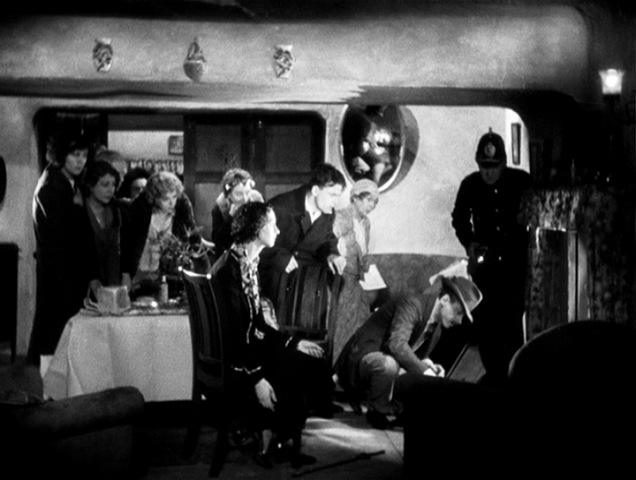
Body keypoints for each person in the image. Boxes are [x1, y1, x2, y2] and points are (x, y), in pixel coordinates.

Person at [210, 201, 335, 469]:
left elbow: (256, 321)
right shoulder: (230, 269)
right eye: (273, 225)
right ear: (257, 230)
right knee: (301, 368)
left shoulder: (246, 262)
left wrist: (292, 342)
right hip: (236, 361)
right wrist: (257, 379)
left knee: (314, 361)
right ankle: (273, 438)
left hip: (246, 349)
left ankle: (275, 436)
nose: (278, 231)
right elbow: (236, 334)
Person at [335, 275, 482, 429]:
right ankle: (377, 411)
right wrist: (425, 372)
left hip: (384, 360)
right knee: (389, 365)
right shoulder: (413, 304)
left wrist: (427, 364)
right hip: (360, 357)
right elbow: (396, 345)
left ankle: (397, 409)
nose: (459, 321)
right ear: (445, 300)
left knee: (414, 371)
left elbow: (413, 355)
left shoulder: (437, 329)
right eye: (459, 312)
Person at [451, 128, 532, 388]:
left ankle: (512, 378)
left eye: (494, 166)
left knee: (511, 324)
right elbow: (459, 218)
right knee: (486, 324)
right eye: (484, 166)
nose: (488, 172)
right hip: (485, 269)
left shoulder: (521, 181)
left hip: (514, 266)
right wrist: (469, 242)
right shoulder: (470, 185)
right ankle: (495, 376)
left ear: (504, 163)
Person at [29, 130, 100, 364]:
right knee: (54, 341)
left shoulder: (69, 182)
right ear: (61, 155)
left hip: (67, 275)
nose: (81, 161)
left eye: (84, 155)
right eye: (75, 155)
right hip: (60, 275)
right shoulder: (52, 186)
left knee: (62, 343)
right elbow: (61, 238)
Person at [258, 163, 347, 305]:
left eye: (338, 196)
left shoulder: (328, 213)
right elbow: (253, 241)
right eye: (332, 195)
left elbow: (325, 239)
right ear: (316, 190)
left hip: (304, 286)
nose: (336, 202)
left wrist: (331, 255)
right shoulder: (280, 207)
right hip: (273, 282)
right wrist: (279, 256)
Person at [121, 171, 206, 292]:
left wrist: (202, 278)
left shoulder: (182, 206)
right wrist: (125, 275)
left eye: (174, 197)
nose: (172, 203)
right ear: (154, 198)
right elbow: (126, 244)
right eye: (165, 199)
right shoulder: (140, 207)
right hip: (139, 272)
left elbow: (195, 241)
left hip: (168, 276)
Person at [331, 179, 382, 364]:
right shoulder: (341, 217)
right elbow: (332, 247)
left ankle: (353, 368)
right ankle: (338, 367)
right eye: (369, 200)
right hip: (342, 280)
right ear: (355, 197)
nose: (372, 206)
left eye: (375, 202)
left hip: (359, 281)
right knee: (344, 328)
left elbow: (363, 250)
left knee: (362, 327)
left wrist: (366, 260)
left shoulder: (366, 222)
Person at [81, 159, 127, 287]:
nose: (110, 190)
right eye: (105, 185)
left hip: (109, 282)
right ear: (91, 185)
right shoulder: (81, 211)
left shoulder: (113, 211)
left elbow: (114, 253)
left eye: (113, 184)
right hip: (83, 282)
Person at [210, 167, 264, 258]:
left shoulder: (257, 202)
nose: (245, 199)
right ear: (229, 195)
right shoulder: (220, 207)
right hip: (229, 256)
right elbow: (218, 241)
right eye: (238, 194)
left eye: (247, 192)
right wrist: (230, 217)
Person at [341, 105, 392, 184]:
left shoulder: (353, 110)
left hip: (348, 150)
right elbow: (358, 149)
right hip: (349, 155)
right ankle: (373, 186)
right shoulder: (365, 123)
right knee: (379, 164)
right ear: (375, 115)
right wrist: (367, 147)